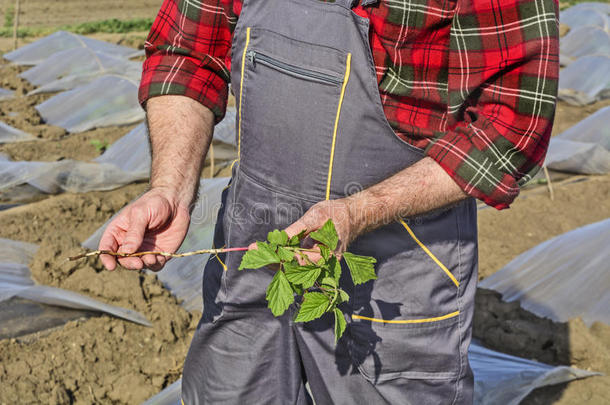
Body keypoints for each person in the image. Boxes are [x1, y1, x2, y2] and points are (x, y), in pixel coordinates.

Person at [99, 0, 559, 403]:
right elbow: (188, 52)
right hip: (252, 251)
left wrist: (359, 211)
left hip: (395, 270)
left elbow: (512, 125)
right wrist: (171, 189)